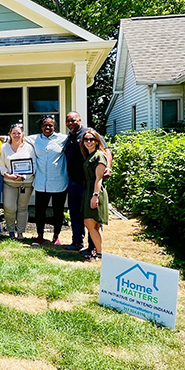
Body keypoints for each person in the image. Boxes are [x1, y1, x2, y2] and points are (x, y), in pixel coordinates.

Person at [64, 111, 112, 252]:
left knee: (92, 216)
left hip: (88, 183)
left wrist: (108, 167)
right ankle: (77, 242)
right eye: (68, 121)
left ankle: (94, 247)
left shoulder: (89, 134)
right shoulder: (69, 138)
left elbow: (107, 151)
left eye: (73, 120)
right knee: (75, 214)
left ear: (80, 120)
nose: (71, 123)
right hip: (73, 182)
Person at [26, 114, 68, 246]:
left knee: (58, 211)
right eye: (45, 125)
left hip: (59, 181)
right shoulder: (35, 139)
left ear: (54, 126)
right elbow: (17, 137)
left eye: (50, 125)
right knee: (40, 211)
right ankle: (39, 236)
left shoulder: (63, 139)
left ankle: (56, 236)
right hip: (41, 182)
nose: (48, 127)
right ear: (41, 127)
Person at [0, 124, 36, 239]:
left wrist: (24, 176)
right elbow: (1, 166)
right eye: (14, 133)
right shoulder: (4, 147)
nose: (16, 135)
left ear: (23, 134)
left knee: (22, 207)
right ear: (10, 134)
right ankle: (11, 231)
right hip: (9, 182)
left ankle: (20, 232)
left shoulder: (29, 147)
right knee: (9, 207)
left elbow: (34, 165)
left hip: (25, 183)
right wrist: (7, 175)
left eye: (19, 133)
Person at [80, 128, 110, 261]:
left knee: (90, 223)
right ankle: (99, 252)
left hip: (94, 192)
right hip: (89, 190)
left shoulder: (99, 155)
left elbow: (99, 178)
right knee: (95, 226)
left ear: (97, 141)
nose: (89, 142)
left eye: (92, 139)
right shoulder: (89, 155)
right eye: (86, 139)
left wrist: (95, 196)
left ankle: (99, 254)